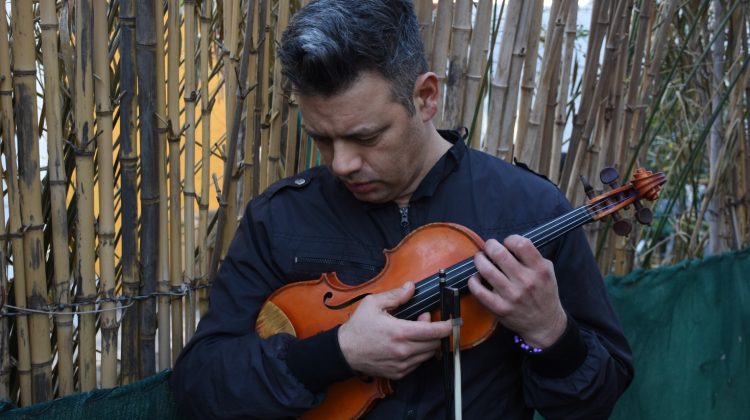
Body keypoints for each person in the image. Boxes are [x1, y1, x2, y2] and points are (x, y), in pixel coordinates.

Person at [171, 0, 634, 418]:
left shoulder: (530, 208)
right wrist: (336, 354)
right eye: (322, 140)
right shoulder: (278, 218)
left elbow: (595, 402)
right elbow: (200, 387)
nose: (343, 163)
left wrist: (551, 333)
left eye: (366, 137)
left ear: (425, 97)